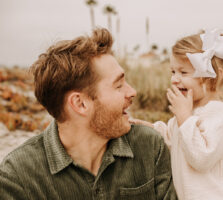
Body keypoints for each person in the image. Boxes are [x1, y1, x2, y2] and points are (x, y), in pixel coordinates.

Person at [0, 28, 177, 199]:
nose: (132, 92)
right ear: (80, 103)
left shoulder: (150, 147)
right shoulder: (17, 177)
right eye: (118, 85)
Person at [132, 29, 223, 200]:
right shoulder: (187, 115)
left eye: (183, 72)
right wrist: (142, 127)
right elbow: (169, 138)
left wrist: (184, 118)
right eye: (173, 72)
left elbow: (201, 158)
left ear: (213, 77)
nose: (174, 79)